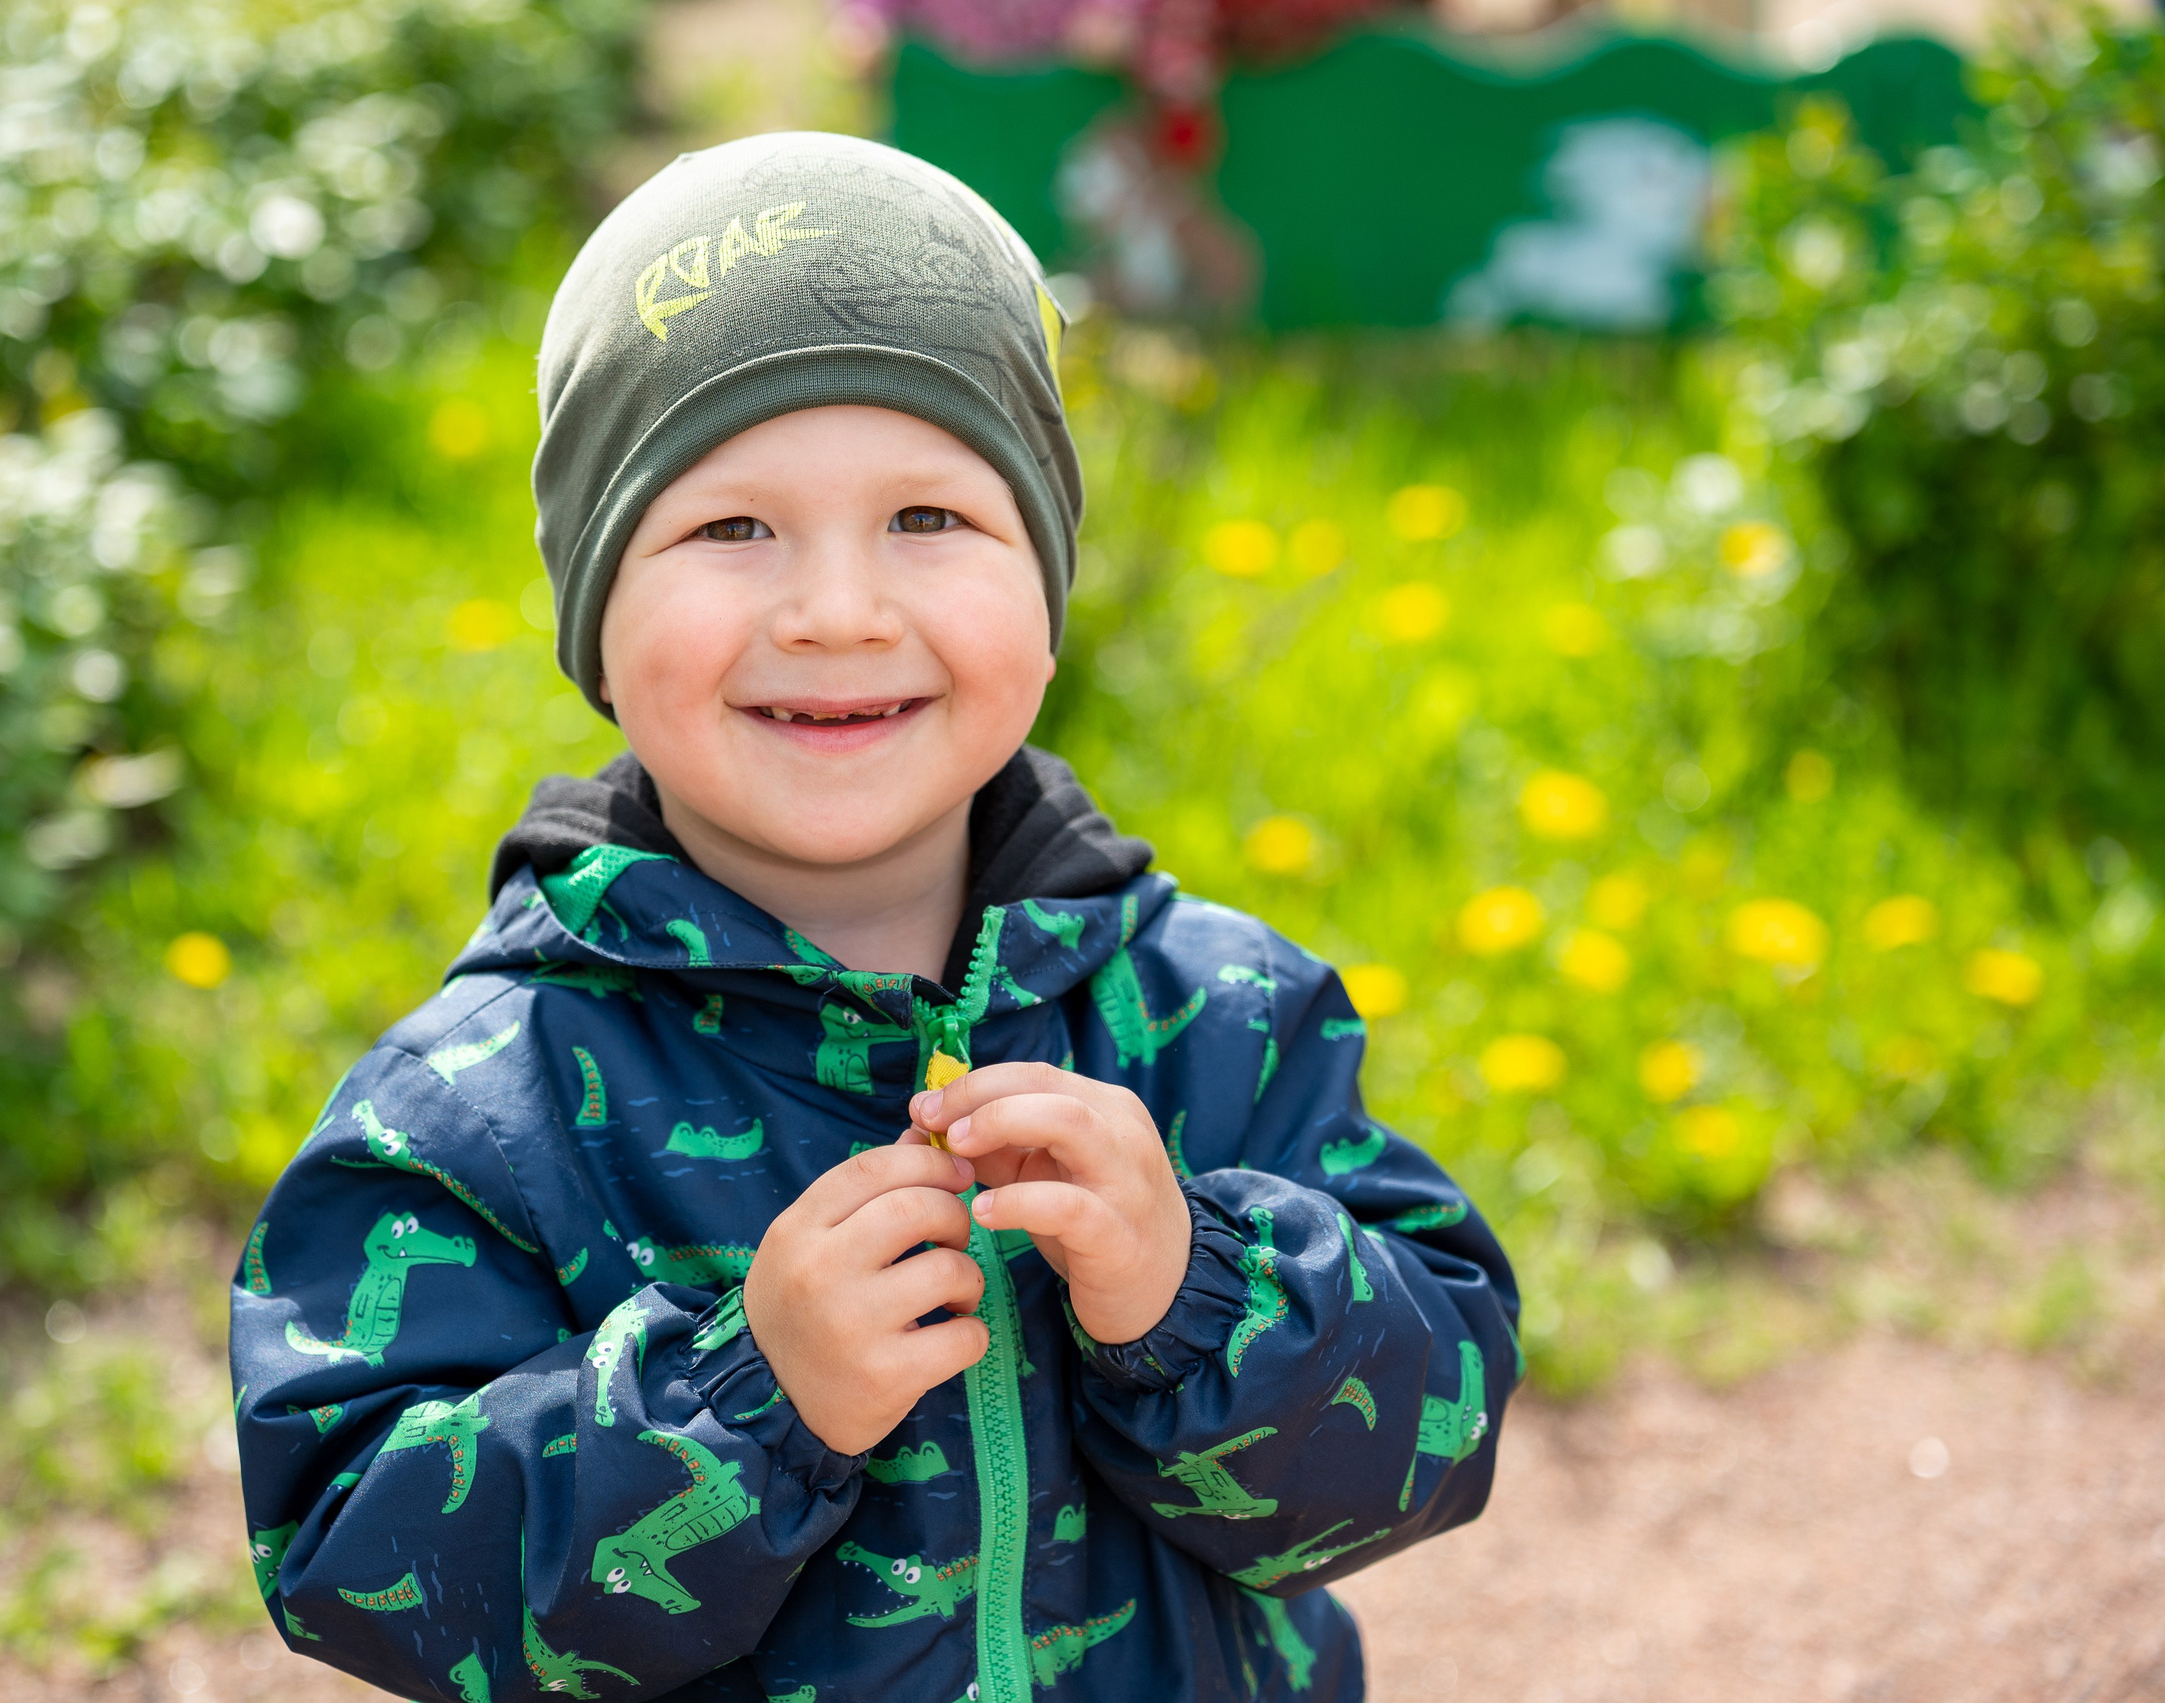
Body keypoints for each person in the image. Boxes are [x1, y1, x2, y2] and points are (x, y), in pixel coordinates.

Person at [230, 131, 1517, 1703]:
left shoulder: (1223, 1015)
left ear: (1045, 589)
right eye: (729, 527)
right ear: (593, 613)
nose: (837, 610)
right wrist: (740, 1408)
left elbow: (1440, 1427)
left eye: (927, 518)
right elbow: (355, 1562)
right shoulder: (485, 1107)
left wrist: (1204, 1297)